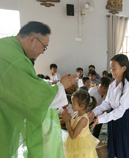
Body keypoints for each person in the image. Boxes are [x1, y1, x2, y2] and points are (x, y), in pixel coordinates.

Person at [0, 21, 77, 158]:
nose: (43, 52)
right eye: (44, 47)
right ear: (32, 40)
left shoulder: (6, 46)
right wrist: (61, 86)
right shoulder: (16, 59)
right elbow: (33, 97)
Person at [89, 54, 129, 158]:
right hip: (114, 120)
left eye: (114, 68)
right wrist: (93, 112)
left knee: (125, 149)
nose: (111, 71)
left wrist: (101, 119)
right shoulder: (113, 84)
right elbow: (107, 103)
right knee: (115, 148)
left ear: (123, 68)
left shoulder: (128, 88)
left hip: (124, 120)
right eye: (111, 68)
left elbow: (120, 111)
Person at [63, 90, 99, 158]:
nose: (71, 105)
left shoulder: (83, 120)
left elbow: (73, 136)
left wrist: (67, 121)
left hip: (81, 145)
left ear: (82, 106)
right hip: (73, 143)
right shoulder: (76, 113)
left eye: (73, 103)